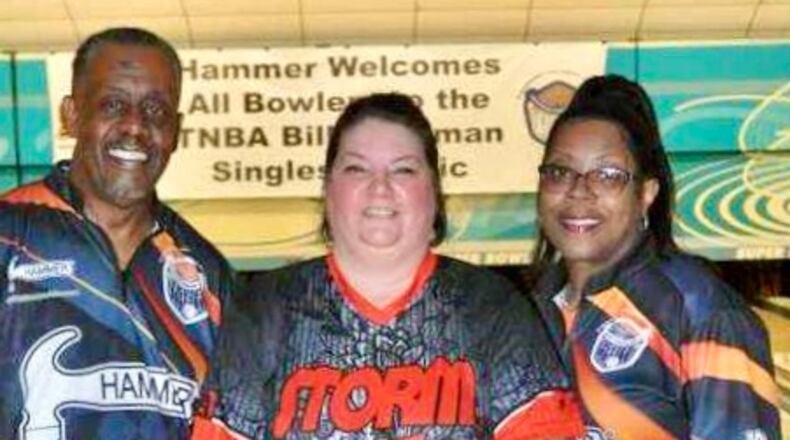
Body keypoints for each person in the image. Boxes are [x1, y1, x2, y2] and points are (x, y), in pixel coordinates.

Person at [192, 93, 584, 439]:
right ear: (328, 189)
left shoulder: (492, 307)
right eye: (357, 169)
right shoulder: (264, 308)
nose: (380, 188)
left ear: (434, 191)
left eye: (404, 170)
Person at [0, 27, 233, 439]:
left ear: (176, 130)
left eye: (155, 111)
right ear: (71, 116)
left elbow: (228, 421)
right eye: (113, 105)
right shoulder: (10, 237)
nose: (135, 127)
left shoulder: (208, 272)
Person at [530, 74, 780, 439]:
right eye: (559, 171)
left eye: (608, 175)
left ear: (646, 193)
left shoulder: (700, 308)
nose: (578, 191)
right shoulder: (530, 311)